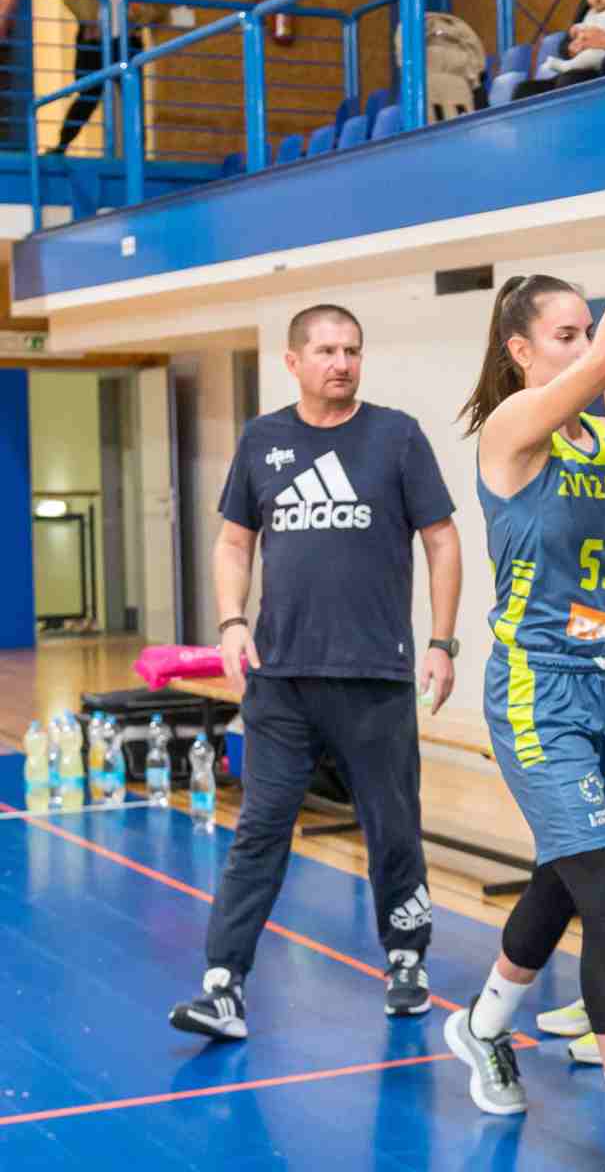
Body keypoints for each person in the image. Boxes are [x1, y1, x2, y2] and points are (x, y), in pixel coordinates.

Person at [442, 127, 605, 1171]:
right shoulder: (511, 434)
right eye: (567, 333)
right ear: (522, 352)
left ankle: (483, 1026)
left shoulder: (599, 439)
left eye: (588, 329)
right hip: (539, 692)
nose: (589, 344)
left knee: (568, 871)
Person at [169, 303, 464, 1040]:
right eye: (328, 351)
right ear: (293, 361)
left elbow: (442, 539)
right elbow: (234, 541)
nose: (342, 363)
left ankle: (407, 958)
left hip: (375, 677)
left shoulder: (396, 436)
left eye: (352, 351)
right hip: (281, 681)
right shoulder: (262, 439)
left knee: (392, 828)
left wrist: (443, 641)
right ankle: (224, 985)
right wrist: (232, 622)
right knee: (260, 830)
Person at [52, 0, 172, 156]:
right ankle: (61, 145)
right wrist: (88, 18)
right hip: (94, 38)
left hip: (128, 41)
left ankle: (139, 155)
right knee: (88, 95)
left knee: (133, 99)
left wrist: (139, 14)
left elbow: (159, 6)